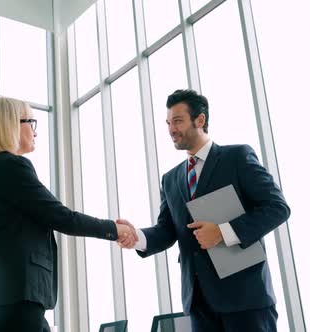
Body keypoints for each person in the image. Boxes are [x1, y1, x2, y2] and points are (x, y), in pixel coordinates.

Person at [118, 89, 290, 331]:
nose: (171, 130)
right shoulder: (170, 179)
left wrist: (223, 232)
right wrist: (137, 236)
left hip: (245, 299)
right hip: (199, 304)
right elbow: (167, 231)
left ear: (200, 120)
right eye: (168, 123)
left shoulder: (237, 157)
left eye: (177, 121)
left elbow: (277, 207)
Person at [0, 96, 136, 332]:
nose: (35, 131)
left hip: (5, 297)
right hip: (16, 296)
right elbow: (61, 217)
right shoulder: (10, 166)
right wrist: (114, 229)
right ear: (10, 124)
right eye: (30, 122)